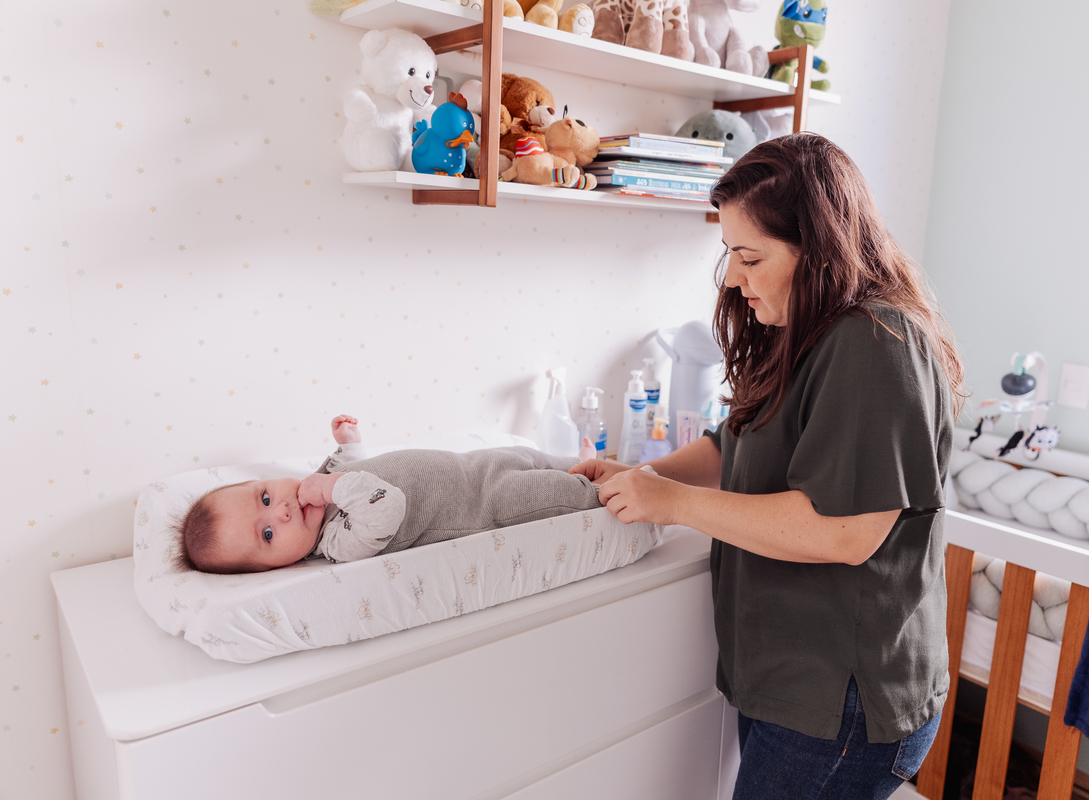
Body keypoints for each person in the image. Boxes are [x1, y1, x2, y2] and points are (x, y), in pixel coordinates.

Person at [570, 133, 965, 800]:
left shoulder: (876, 345)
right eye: (729, 254)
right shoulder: (803, 330)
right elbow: (737, 441)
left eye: (750, 257)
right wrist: (644, 478)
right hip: (792, 682)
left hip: (842, 699)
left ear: (821, 250)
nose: (732, 277)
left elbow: (845, 532)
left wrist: (671, 503)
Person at [176, 415, 602, 574]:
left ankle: (579, 461)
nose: (283, 512)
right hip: (485, 501)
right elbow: (385, 506)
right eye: (268, 534)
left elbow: (351, 468)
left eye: (266, 499)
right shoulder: (339, 544)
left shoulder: (315, 487)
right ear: (278, 566)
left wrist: (349, 445)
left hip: (474, 463)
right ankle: (605, 487)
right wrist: (330, 486)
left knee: (530, 455)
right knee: (556, 493)